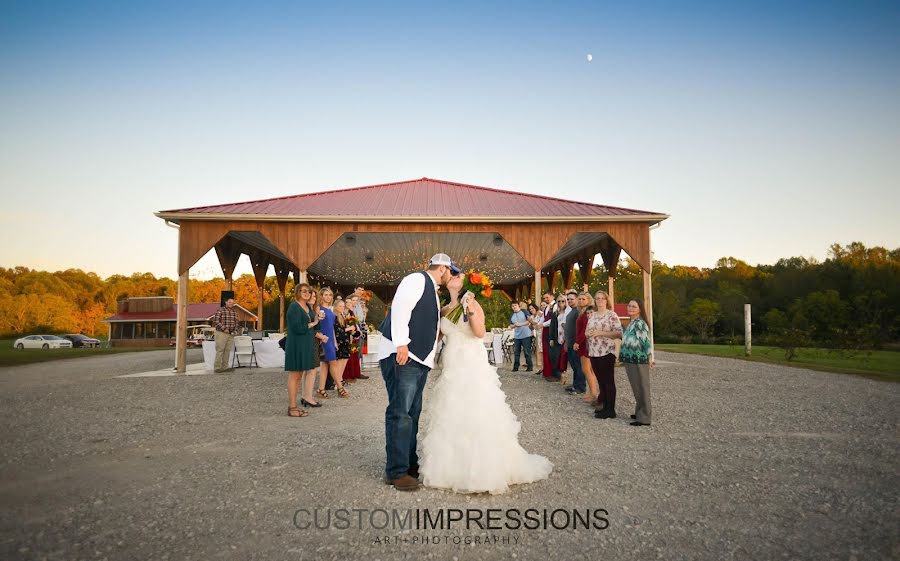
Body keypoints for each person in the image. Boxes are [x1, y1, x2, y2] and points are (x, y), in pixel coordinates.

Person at [420, 272, 553, 494]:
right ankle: (450, 466)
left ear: (463, 283)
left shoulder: (472, 303)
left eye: (456, 275)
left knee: (475, 408)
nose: (451, 277)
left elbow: (480, 332)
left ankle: (483, 468)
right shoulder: (443, 309)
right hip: (451, 364)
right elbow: (436, 337)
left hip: (471, 362)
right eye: (449, 275)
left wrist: (469, 309)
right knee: (452, 409)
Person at [378, 253, 458, 491]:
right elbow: (401, 308)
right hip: (403, 354)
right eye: (450, 271)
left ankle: (409, 463)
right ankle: (396, 471)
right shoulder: (416, 279)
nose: (451, 275)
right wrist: (401, 343)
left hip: (418, 358)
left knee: (412, 413)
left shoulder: (432, 290)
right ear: (442, 268)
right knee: (400, 412)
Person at [285, 284, 321, 418]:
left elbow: (316, 324)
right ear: (297, 292)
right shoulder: (294, 307)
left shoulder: (308, 307)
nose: (307, 293)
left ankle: (295, 405)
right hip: (296, 344)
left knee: (299, 375)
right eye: (303, 291)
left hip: (306, 344)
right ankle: (292, 407)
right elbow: (297, 328)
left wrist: (317, 318)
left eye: (309, 291)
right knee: (295, 375)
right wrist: (313, 323)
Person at [587, 291, 623, 419]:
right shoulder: (593, 315)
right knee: (601, 381)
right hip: (593, 352)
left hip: (607, 351)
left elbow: (619, 333)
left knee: (608, 381)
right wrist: (589, 333)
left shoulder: (612, 315)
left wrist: (600, 333)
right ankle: (604, 406)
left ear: (607, 300)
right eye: (597, 298)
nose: (600, 300)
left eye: (602, 298)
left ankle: (611, 409)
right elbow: (587, 331)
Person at [621, 299, 653, 427]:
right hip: (630, 359)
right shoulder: (632, 322)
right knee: (636, 387)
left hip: (638, 360)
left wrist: (650, 356)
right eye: (629, 305)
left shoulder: (640, 323)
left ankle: (644, 417)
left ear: (640, 309)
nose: (630, 308)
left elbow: (646, 341)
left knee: (642, 387)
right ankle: (639, 411)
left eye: (634, 306)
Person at [316, 288, 344, 399]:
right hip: (324, 339)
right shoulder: (319, 308)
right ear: (321, 296)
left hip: (330, 339)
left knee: (325, 365)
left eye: (330, 295)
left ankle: (321, 389)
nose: (328, 297)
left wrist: (335, 342)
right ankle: (340, 387)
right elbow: (317, 324)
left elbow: (331, 327)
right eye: (326, 295)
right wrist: (320, 337)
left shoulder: (330, 309)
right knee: (333, 363)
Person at [573, 292, 600, 403]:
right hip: (584, 342)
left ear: (589, 300)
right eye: (579, 299)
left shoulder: (587, 314)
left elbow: (585, 330)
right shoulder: (582, 313)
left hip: (585, 344)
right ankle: (592, 392)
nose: (581, 301)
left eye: (583, 299)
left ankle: (593, 394)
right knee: (590, 370)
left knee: (586, 370)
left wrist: (577, 342)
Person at [563, 290, 585, 394]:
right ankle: (575, 384)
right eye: (568, 299)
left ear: (576, 299)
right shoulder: (571, 310)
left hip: (576, 344)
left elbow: (580, 328)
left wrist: (578, 342)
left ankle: (580, 387)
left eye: (572, 299)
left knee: (578, 366)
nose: (569, 301)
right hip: (570, 342)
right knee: (574, 365)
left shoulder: (578, 311)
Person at [212, 298, 240, 373]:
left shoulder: (235, 312)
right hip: (221, 333)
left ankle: (225, 367)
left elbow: (237, 323)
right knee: (220, 350)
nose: (231, 303)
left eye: (232, 302)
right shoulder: (220, 310)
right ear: (226, 302)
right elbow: (216, 321)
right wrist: (224, 328)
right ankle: (217, 368)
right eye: (229, 302)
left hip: (231, 334)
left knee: (227, 351)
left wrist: (235, 331)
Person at [508, 301, 533, 372]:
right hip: (517, 336)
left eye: (515, 305)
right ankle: (516, 367)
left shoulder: (524, 311)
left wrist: (520, 324)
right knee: (516, 352)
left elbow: (529, 321)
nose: (514, 307)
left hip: (526, 335)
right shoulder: (511, 315)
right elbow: (510, 326)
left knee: (527, 352)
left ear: (519, 306)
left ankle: (530, 366)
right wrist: (514, 325)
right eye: (512, 306)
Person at [540, 293, 557, 380]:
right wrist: (539, 323)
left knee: (551, 352)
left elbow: (553, 320)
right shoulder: (547, 307)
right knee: (545, 351)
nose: (546, 299)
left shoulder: (555, 306)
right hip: (545, 330)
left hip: (551, 330)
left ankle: (552, 372)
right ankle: (546, 371)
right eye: (544, 298)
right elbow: (543, 317)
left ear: (553, 297)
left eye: (547, 297)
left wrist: (542, 324)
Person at [528, 303, 543, 375]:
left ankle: (544, 367)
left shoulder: (540, 313)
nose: (531, 310)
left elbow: (537, 323)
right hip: (537, 335)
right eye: (530, 309)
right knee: (539, 351)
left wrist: (531, 321)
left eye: (532, 308)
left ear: (535, 308)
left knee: (543, 351)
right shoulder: (531, 316)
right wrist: (530, 323)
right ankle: (541, 367)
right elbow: (531, 328)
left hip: (543, 333)